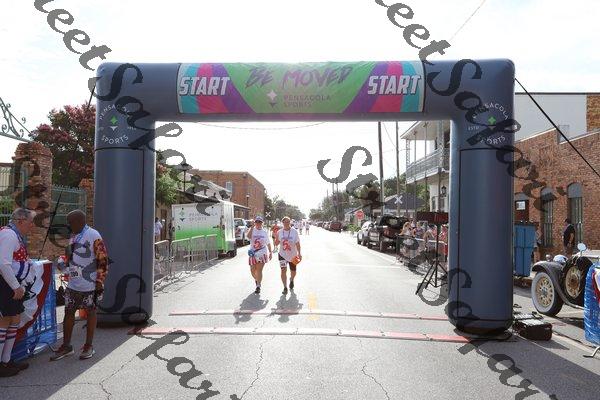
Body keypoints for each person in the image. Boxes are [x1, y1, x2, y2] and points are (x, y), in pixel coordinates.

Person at [51, 210, 109, 361]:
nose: (69, 226)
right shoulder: (74, 236)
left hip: (90, 285)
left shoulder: (94, 235)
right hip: (73, 284)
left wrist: (99, 281)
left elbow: (102, 259)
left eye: (70, 223)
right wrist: (63, 262)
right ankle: (67, 346)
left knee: (91, 313)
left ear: (79, 222)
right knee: (69, 313)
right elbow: (71, 256)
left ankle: (88, 346)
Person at [0, 208, 35, 376]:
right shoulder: (9, 235)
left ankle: (6, 361)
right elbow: (3, 263)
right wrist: (15, 286)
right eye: (30, 222)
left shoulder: (14, 235)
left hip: (10, 283)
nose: (32, 226)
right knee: (5, 321)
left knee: (14, 319)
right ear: (20, 221)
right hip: (6, 284)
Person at [275, 216, 302, 295]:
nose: (287, 223)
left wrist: (299, 253)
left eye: (288, 222)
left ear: (290, 222)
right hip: (282, 254)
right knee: (283, 270)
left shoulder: (294, 231)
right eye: (285, 222)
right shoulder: (279, 232)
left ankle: (292, 279)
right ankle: (285, 287)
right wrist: (275, 238)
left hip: (293, 255)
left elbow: (297, 243)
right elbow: (276, 244)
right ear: (282, 223)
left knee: (293, 271)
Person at [246, 216, 272, 294]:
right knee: (252, 270)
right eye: (256, 222)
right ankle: (257, 280)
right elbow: (248, 237)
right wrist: (252, 227)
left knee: (259, 270)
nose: (258, 223)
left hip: (262, 252)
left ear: (262, 223)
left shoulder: (264, 232)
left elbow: (268, 243)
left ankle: (258, 286)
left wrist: (270, 252)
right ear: (255, 223)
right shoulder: (252, 230)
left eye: (260, 222)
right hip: (253, 253)